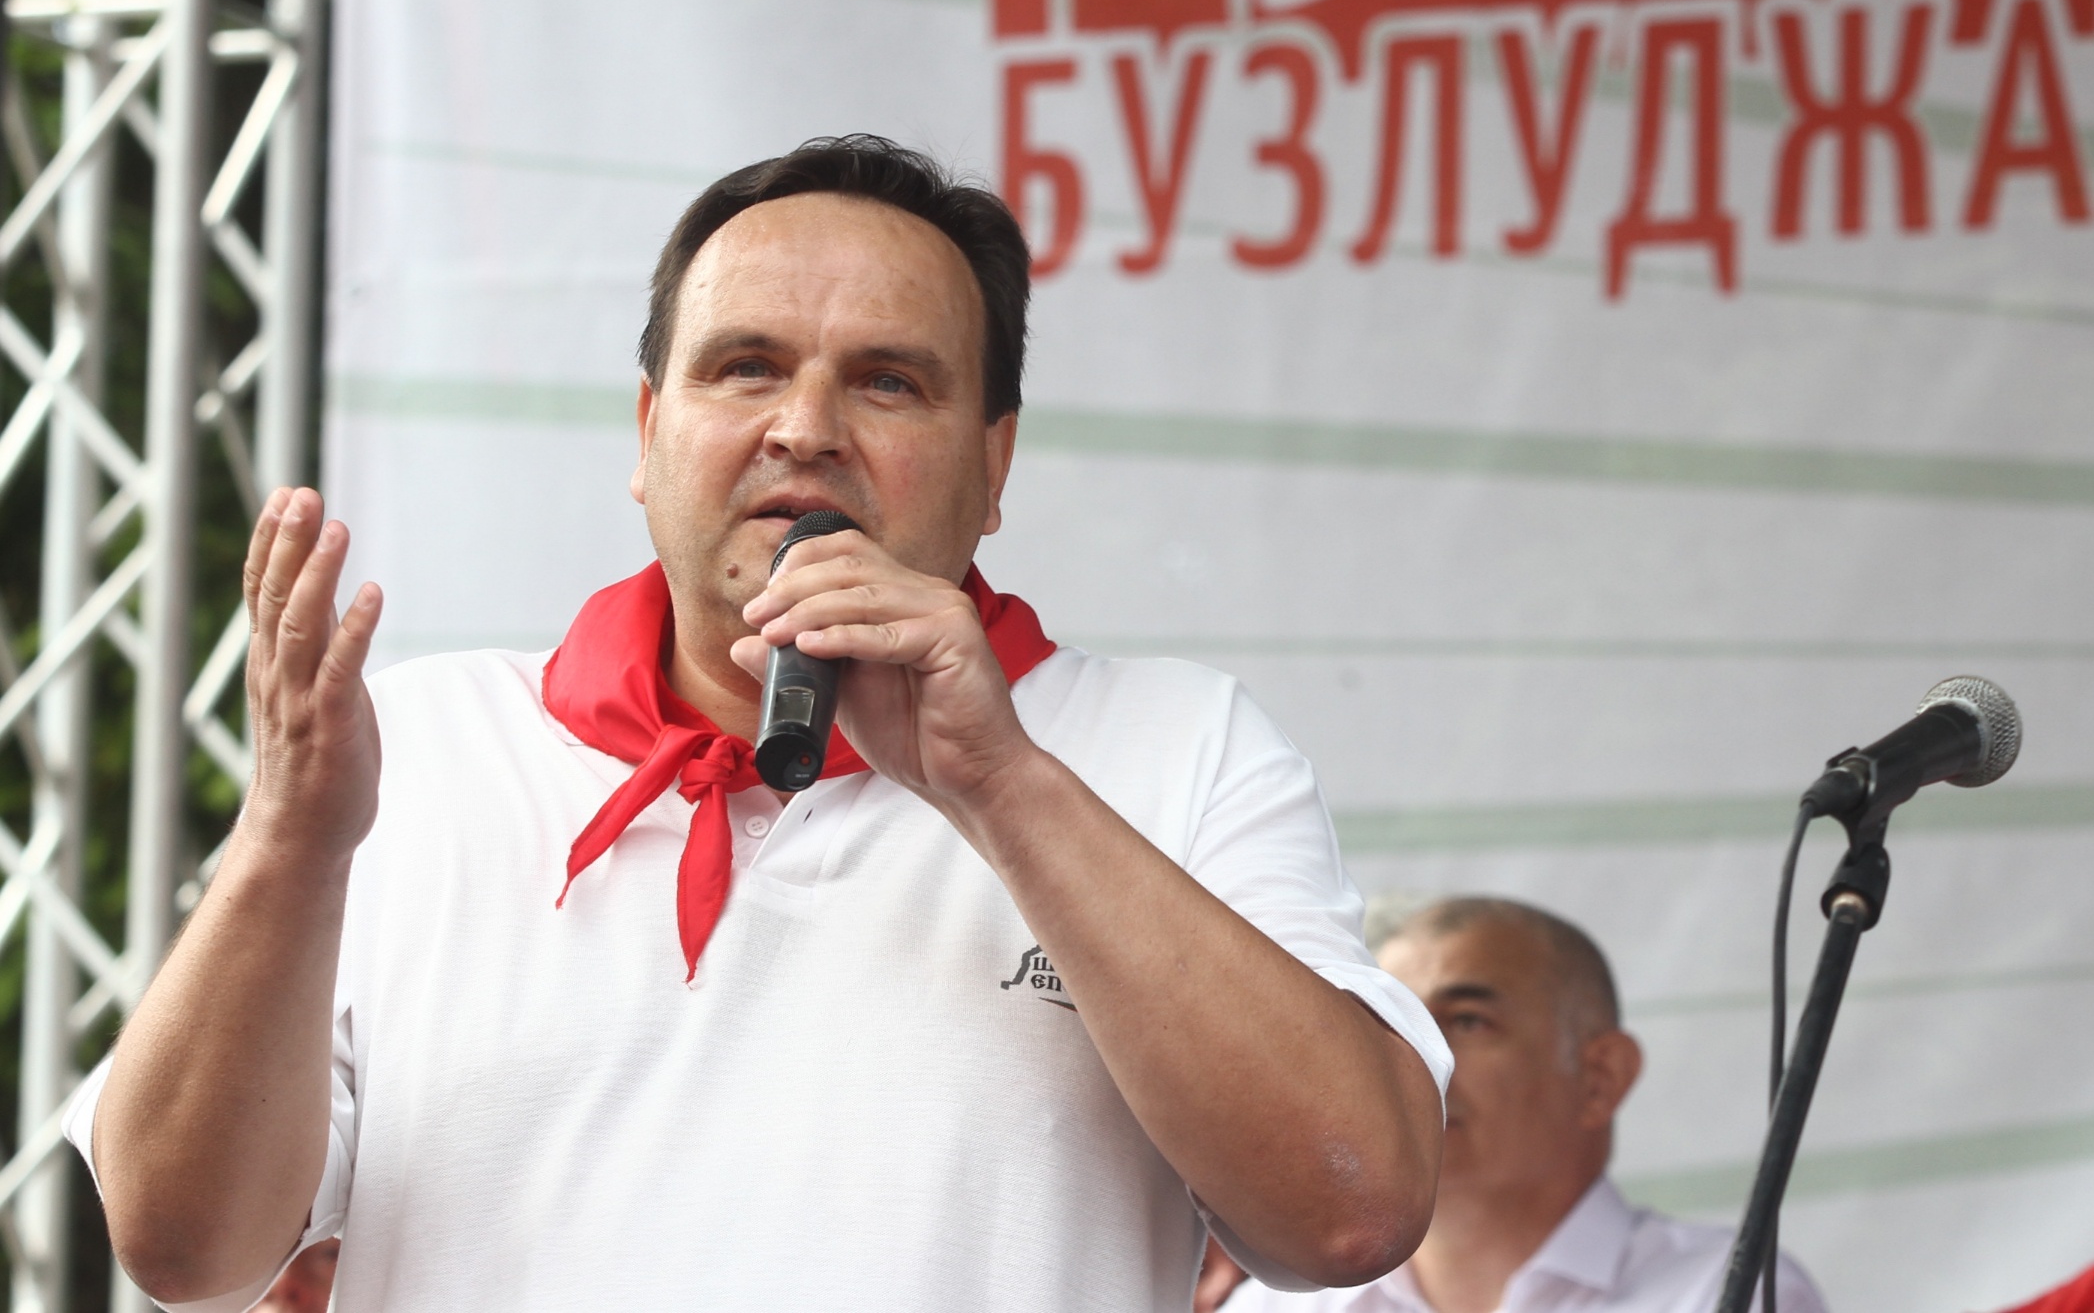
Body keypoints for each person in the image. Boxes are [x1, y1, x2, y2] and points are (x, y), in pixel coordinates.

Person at [69, 136, 1451, 1313]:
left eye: (889, 380)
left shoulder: (1173, 744)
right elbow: (184, 1250)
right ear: (647, 432)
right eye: (744, 366)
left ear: (994, 463)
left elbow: (1348, 1210)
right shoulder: (421, 748)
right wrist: (289, 848)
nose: (805, 427)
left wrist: (1003, 783)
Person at [1217, 896, 1828, 1313]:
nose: (1419, 1058)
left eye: (1468, 1021)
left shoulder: (1724, 1294)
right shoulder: (1278, 1304)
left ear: (1600, 1078)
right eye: (1391, 1023)